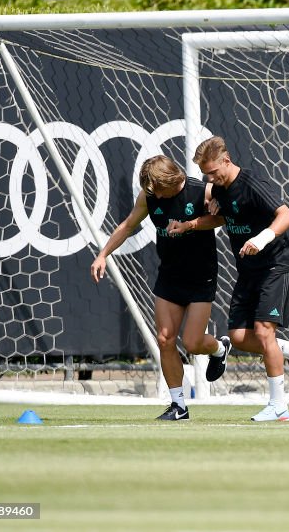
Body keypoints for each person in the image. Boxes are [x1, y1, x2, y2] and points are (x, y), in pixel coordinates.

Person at [193, 136, 289, 422]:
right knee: (239, 337)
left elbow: (287, 216)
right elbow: (222, 216)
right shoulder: (219, 189)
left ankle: (279, 406)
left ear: (226, 161)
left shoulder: (252, 183)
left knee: (264, 332)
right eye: (206, 175)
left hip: (275, 265)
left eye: (213, 171)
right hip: (248, 270)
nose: (210, 178)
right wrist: (199, 218)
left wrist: (261, 238)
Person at [91, 155, 226, 421]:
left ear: (170, 181)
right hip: (170, 277)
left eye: (157, 190)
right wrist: (103, 254)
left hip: (201, 275)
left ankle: (220, 349)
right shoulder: (149, 196)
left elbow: (222, 218)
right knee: (164, 339)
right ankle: (179, 406)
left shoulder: (202, 191)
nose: (153, 195)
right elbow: (129, 225)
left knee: (192, 342)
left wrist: (206, 213)